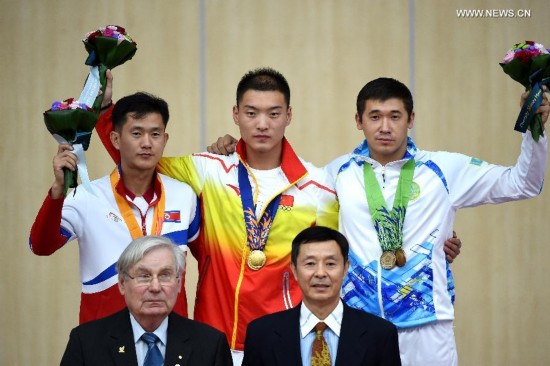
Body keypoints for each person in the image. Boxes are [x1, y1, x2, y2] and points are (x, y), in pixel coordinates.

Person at [95, 67, 339, 365]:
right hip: (214, 339)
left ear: (289, 115)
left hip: (283, 340)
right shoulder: (208, 170)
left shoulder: (317, 187)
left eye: (273, 114)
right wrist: (105, 111)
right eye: (251, 113)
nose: (262, 124)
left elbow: (331, 267)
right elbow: (138, 160)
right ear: (236, 114)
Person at [327, 77, 549, 365]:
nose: (385, 127)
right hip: (360, 325)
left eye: (395, 116)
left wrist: (534, 130)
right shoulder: (337, 173)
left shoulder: (443, 168)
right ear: (359, 120)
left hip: (428, 326)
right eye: (375, 117)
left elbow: (523, 184)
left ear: (411, 119)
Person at [29, 92, 200, 324]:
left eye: (155, 134)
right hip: (104, 340)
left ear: (165, 139)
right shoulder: (86, 197)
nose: (147, 143)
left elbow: (211, 258)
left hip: (171, 337)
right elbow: (40, 246)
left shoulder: (184, 196)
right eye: (137, 133)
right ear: (116, 139)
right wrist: (58, 191)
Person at [60, 235, 232, 366]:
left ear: (179, 283)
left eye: (165, 275)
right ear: (121, 283)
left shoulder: (210, 344)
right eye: (144, 276)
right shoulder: (86, 342)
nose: (155, 287)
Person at [242, 226, 401, 366]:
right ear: (295, 270)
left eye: (330, 264)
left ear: (345, 269)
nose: (320, 273)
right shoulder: (262, 334)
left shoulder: (381, 334)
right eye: (310, 264)